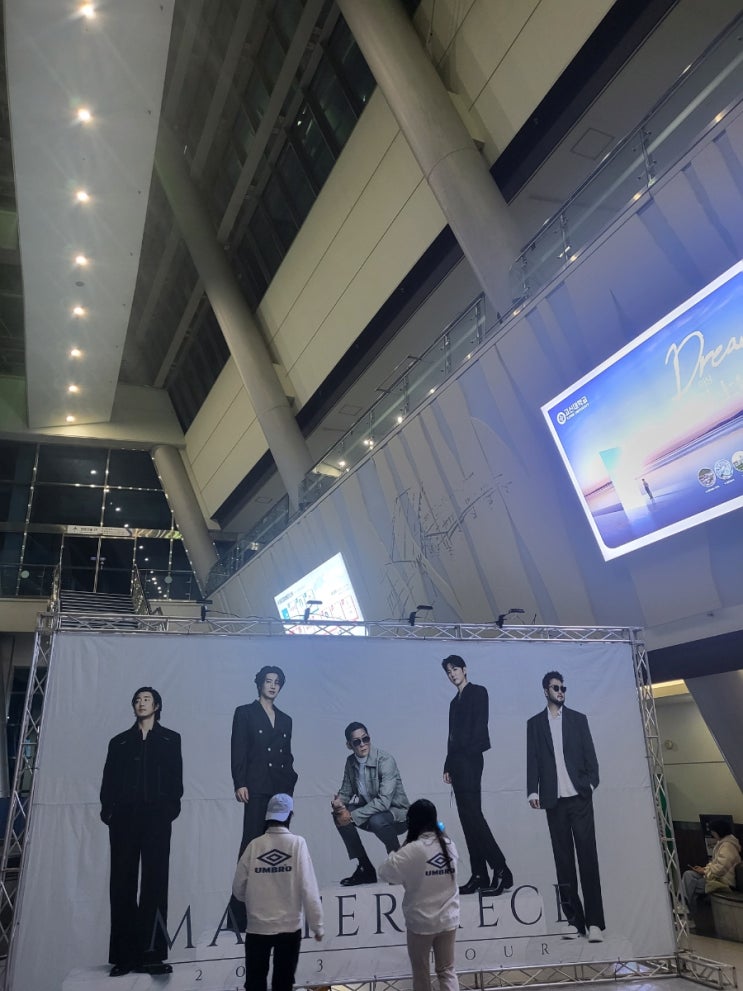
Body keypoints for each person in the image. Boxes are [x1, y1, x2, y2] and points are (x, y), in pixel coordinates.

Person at [100, 686, 183, 977]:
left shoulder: (171, 739)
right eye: (137, 700)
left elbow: (176, 779)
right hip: (124, 819)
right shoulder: (120, 742)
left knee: (155, 884)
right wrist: (109, 812)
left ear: (157, 705)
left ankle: (152, 955)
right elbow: (108, 779)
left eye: (146, 699)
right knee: (122, 885)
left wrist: (169, 810)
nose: (141, 703)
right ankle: (124, 957)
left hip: (157, 819)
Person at [526, 671, 604, 942]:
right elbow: (532, 759)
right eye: (556, 687)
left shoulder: (578, 720)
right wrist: (532, 790)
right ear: (545, 691)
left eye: (563, 687)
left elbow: (591, 756)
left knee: (588, 859)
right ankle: (574, 922)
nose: (561, 691)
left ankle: (595, 923)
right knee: (563, 863)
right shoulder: (535, 724)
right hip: (554, 801)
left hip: (579, 799)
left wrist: (590, 784)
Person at [229, 665, 298, 929]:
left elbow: (286, 755)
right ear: (259, 683)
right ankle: (237, 915)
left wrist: (291, 781)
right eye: (268, 681)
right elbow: (238, 748)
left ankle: (271, 909)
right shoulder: (245, 713)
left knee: (277, 849)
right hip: (256, 785)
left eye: (277, 682)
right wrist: (240, 782)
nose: (272, 686)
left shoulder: (286, 719)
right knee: (251, 846)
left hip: (280, 789)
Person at [232, 794, 323, 991]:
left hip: (257, 928)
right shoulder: (297, 844)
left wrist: (253, 900)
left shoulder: (254, 845)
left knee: (255, 984)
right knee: (283, 984)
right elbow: (309, 888)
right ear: (290, 815)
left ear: (268, 816)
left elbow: (238, 888)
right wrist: (317, 925)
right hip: (289, 928)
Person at [442, 654, 512, 895]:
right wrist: (448, 765)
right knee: (466, 818)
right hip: (457, 762)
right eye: (448, 672)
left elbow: (480, 726)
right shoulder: (454, 702)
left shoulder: (478, 692)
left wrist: (465, 756)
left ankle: (501, 869)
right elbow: (451, 736)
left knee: (474, 815)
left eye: (455, 669)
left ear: (465, 669)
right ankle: (480, 874)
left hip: (471, 759)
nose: (452, 674)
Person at [378, 799, 460, 991]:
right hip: (448, 919)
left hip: (421, 923)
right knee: (447, 971)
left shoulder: (412, 849)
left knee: (421, 973)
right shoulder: (449, 845)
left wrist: (403, 846)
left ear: (412, 822)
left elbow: (384, 872)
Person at [331, 721, 409, 885]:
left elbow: (384, 802)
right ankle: (365, 868)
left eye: (365, 739)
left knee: (376, 820)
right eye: (357, 742)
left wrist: (352, 816)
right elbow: (346, 791)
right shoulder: (351, 762)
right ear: (349, 745)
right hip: (372, 812)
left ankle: (399, 865)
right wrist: (339, 803)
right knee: (338, 816)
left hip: (398, 815)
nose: (363, 744)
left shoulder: (385, 760)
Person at [681, 820, 741, 927]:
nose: (712, 835)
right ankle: (685, 908)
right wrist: (704, 869)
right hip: (715, 877)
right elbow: (714, 863)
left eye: (713, 832)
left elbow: (720, 869)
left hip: (723, 881)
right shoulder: (722, 843)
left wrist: (704, 871)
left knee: (691, 886)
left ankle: (686, 911)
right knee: (688, 875)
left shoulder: (728, 847)